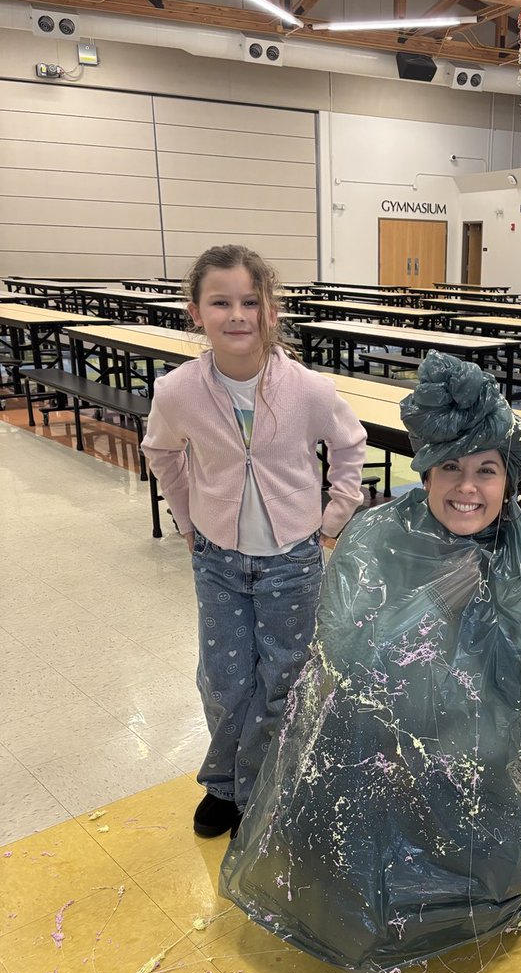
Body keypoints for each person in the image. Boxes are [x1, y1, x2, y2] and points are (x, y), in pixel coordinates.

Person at [220, 351, 521, 973]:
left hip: (471, 730)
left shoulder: (520, 553)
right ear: (425, 473)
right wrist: (432, 601)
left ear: (510, 480)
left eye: (487, 471)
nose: (467, 487)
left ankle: (447, 889)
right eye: (450, 468)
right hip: (385, 727)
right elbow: (350, 656)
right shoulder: (380, 534)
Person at [142, 244, 367, 839]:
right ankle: (224, 784)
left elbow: (349, 444)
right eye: (221, 302)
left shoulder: (307, 388)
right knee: (224, 676)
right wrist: (188, 518)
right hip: (216, 557)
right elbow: (161, 451)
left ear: (271, 309)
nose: (237, 314)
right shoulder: (178, 391)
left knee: (284, 678)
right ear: (196, 311)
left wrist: (333, 518)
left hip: (293, 558)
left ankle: (263, 784)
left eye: (250, 301)